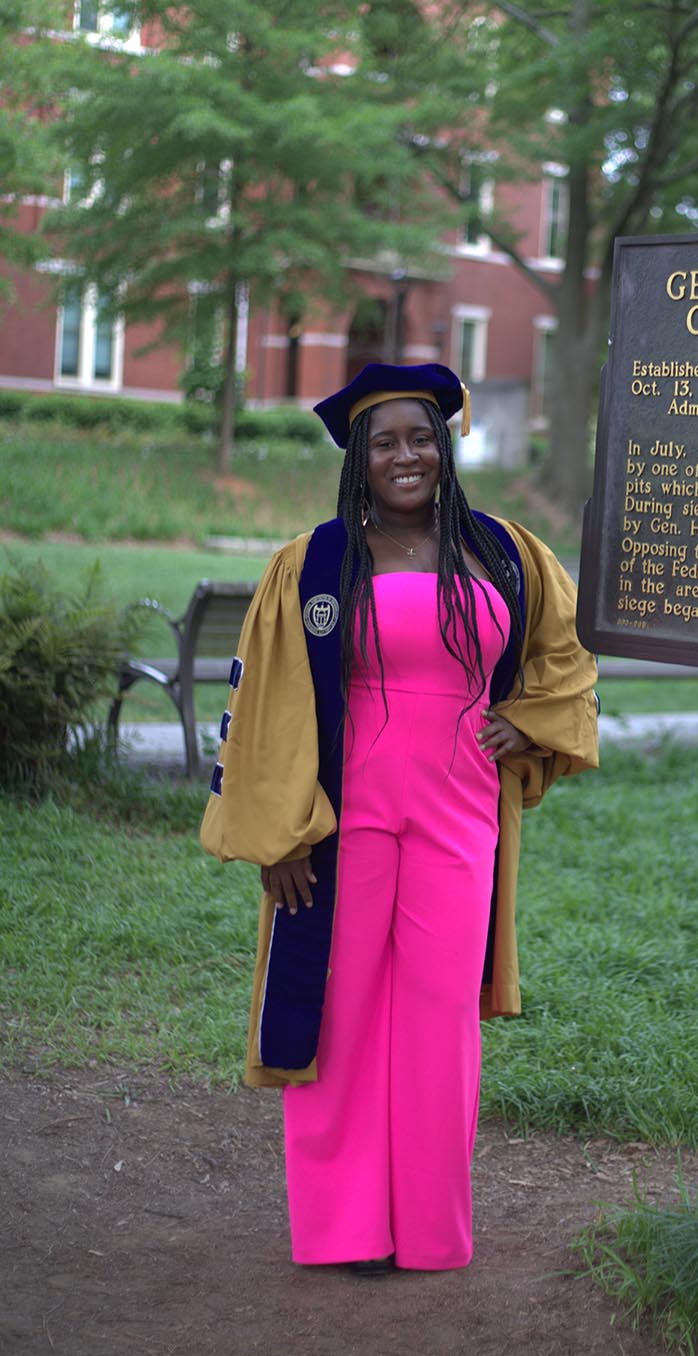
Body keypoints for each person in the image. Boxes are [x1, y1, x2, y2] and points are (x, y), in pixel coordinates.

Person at [200, 362, 598, 1275]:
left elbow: (564, 655)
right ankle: (342, 1228)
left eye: (422, 437)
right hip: (350, 809)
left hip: (461, 811)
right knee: (340, 1006)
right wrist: (280, 835)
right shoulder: (316, 562)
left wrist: (526, 719)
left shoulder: (502, 551)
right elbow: (267, 700)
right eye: (386, 442)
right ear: (360, 458)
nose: (406, 455)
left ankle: (426, 1229)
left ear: (445, 445)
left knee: (439, 1014)